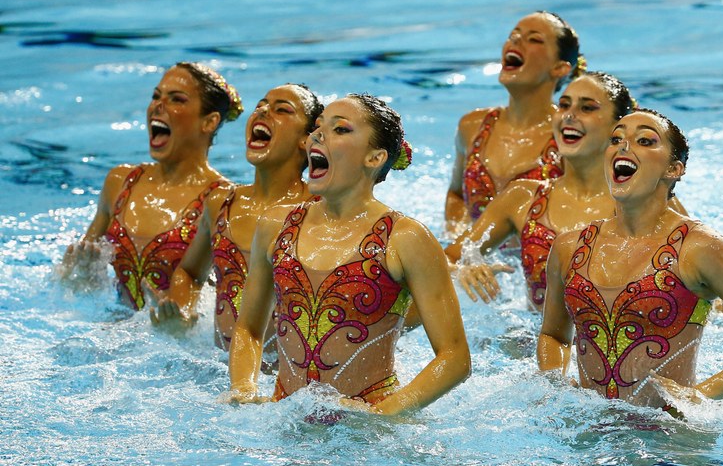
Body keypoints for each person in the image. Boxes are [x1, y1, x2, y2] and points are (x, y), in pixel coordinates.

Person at [538, 109, 723, 411]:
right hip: (589, 431)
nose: (624, 146)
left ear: (674, 169)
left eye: (645, 141)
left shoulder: (700, 248)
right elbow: (554, 335)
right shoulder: (569, 247)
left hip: (670, 441)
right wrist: (555, 387)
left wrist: (701, 396)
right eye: (616, 138)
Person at [229, 94, 471, 414]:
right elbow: (248, 327)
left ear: (374, 157)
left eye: (340, 130)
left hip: (366, 436)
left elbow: (455, 357)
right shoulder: (276, 226)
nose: (318, 135)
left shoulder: (405, 238)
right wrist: (243, 389)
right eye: (318, 127)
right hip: (284, 424)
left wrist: (383, 414)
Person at [149, 84, 321, 351]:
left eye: (281, 110)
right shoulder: (222, 203)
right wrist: (181, 311)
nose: (263, 111)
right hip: (221, 372)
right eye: (261, 105)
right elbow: (190, 272)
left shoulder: (319, 209)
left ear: (307, 139)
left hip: (286, 383)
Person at [57, 62, 241, 310]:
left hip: (178, 345)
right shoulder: (120, 183)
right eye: (156, 96)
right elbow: (75, 284)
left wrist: (180, 327)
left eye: (177, 99)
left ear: (209, 121)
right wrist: (80, 275)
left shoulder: (223, 200)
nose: (158, 105)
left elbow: (234, 301)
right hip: (113, 330)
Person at [446, 71, 632, 310]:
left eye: (587, 108)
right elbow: (446, 257)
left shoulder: (639, 204)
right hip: (527, 343)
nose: (569, 115)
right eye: (564, 105)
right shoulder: (522, 197)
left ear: (618, 128)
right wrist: (464, 269)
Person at [444, 11, 580, 235]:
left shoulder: (569, 137)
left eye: (534, 39)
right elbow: (456, 195)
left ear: (559, 68)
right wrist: (465, 247)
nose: (515, 40)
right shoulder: (472, 126)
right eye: (514, 35)